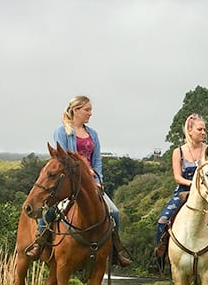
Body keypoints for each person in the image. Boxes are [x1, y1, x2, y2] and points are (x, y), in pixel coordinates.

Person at [25, 96, 132, 267]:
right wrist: (83, 172)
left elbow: (97, 160)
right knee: (50, 210)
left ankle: (115, 251)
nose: (90, 113)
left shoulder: (93, 134)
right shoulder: (62, 131)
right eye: (87, 110)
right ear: (76, 110)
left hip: (91, 183)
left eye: (90, 110)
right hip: (70, 180)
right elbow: (64, 158)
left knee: (115, 212)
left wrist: (98, 180)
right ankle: (39, 242)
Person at [153, 113, 208, 271]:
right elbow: (177, 177)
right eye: (200, 129)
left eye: (204, 130)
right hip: (184, 191)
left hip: (207, 193)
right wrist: (194, 185)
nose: (203, 132)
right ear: (189, 131)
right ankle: (159, 256)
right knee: (163, 220)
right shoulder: (178, 152)